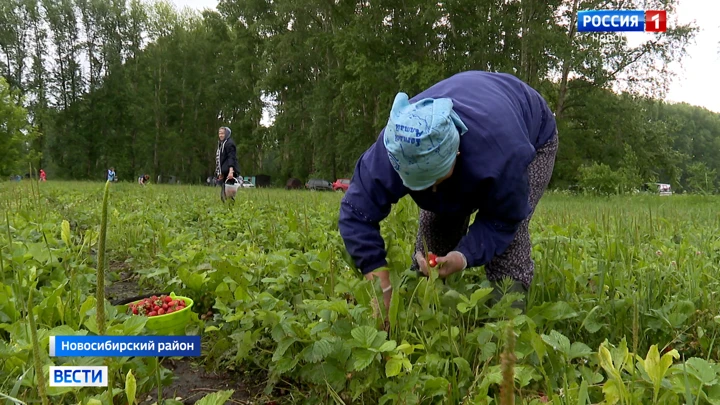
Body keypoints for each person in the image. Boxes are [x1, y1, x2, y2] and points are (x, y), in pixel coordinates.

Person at [338, 71, 558, 314]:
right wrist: (380, 282)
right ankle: (423, 308)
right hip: (481, 114)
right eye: (418, 185)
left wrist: (463, 256)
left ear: (457, 153)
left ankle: (509, 322)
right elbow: (356, 212)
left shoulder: (504, 153)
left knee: (510, 240)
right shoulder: (394, 147)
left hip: (533, 133)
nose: (432, 191)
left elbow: (504, 220)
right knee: (435, 230)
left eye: (436, 179)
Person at [215, 126, 240, 202]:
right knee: (224, 193)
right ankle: (227, 209)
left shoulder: (229, 144)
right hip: (225, 171)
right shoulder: (222, 144)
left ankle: (230, 210)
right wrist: (221, 172)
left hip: (229, 171)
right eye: (219, 133)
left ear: (227, 134)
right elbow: (220, 159)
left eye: (222, 133)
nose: (221, 135)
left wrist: (231, 171)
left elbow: (231, 157)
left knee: (229, 194)